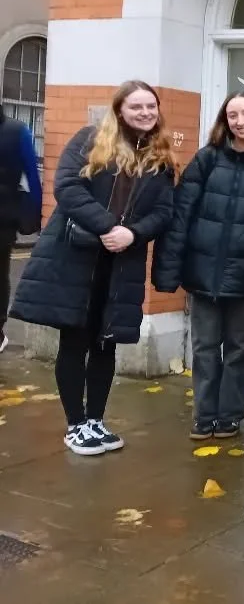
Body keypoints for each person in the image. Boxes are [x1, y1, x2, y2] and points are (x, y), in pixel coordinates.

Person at [10, 81, 175, 456]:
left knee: (106, 342)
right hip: (77, 258)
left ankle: (96, 421)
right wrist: (108, 227)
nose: (146, 113)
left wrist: (132, 235)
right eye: (137, 106)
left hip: (122, 264)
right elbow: (66, 188)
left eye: (151, 106)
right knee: (75, 340)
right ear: (120, 109)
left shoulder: (160, 157)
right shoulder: (90, 139)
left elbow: (165, 212)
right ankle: (75, 425)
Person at [152, 91, 244, 440]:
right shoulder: (208, 159)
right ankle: (203, 415)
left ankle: (230, 416)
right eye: (233, 115)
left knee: (238, 350)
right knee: (204, 348)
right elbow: (181, 215)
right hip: (203, 275)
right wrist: (170, 270)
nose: (240, 121)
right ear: (224, 121)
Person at [0, 106, 42, 355]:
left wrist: (34, 214)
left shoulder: (17, 131)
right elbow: (33, 180)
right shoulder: (19, 131)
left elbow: (33, 179)